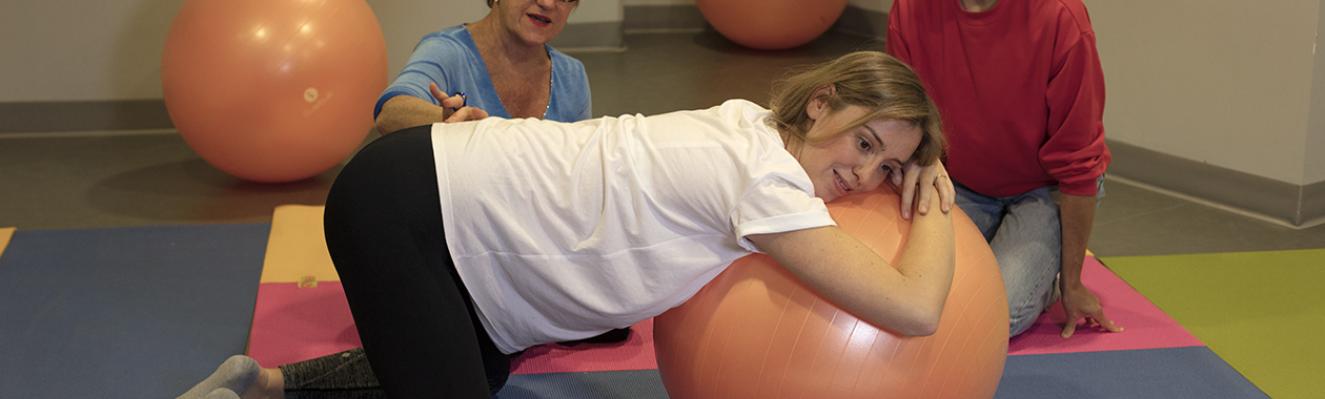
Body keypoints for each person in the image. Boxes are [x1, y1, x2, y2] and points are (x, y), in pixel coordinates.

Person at [179, 51, 957, 398]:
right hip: (409, 207)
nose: (865, 175)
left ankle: (262, 385)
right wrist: (935, 197)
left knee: (474, 371)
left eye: (889, 165)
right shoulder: (763, 180)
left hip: (428, 200)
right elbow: (915, 308)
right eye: (864, 142)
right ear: (820, 101)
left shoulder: (748, 122)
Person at [886, 0, 1121, 339]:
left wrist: (1072, 284)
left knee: (991, 315)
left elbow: (1079, 161)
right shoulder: (910, 10)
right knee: (912, 290)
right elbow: (902, 115)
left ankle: (1042, 275)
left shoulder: (1059, 16)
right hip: (958, 179)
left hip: (1044, 190)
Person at [373, 0, 592, 133]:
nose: (547, 3)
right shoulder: (448, 52)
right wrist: (447, 121)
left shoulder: (571, 75)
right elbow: (390, 113)